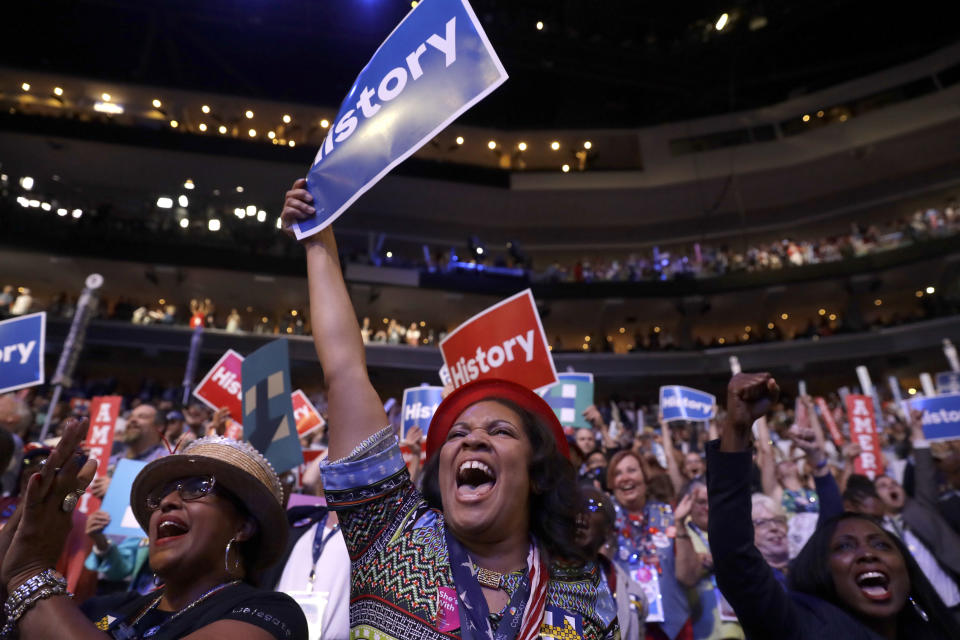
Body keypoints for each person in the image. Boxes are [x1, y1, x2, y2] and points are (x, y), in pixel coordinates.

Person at [282, 180, 619, 639]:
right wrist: (319, 240)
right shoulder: (393, 537)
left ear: (538, 474)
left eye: (500, 431)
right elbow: (344, 371)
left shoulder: (582, 591)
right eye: (457, 435)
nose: (473, 439)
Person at [708, 372, 960, 639]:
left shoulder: (932, 629)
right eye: (845, 546)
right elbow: (734, 555)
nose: (867, 553)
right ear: (821, 571)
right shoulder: (802, 625)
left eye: (881, 544)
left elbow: (833, 519)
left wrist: (819, 461)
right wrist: (736, 430)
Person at [0, 420, 308, 639]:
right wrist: (15, 545)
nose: (168, 502)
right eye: (162, 494)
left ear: (243, 526)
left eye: (197, 487)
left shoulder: (271, 615)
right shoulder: (107, 607)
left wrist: (30, 573)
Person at [873, 411, 960, 614]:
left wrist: (917, 430)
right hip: (925, 615)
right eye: (883, 486)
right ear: (876, 499)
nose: (891, 486)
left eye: (893, 482)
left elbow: (924, 470)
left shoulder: (921, 508)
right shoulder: (878, 531)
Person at [605, 449, 690, 640]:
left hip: (674, 625)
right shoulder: (604, 517)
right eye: (618, 473)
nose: (625, 477)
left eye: (632, 470)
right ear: (611, 483)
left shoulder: (667, 514)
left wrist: (680, 525)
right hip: (626, 625)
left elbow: (689, 577)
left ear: (645, 476)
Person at [673, 481, 743, 640]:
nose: (708, 507)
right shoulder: (681, 534)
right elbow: (686, 576)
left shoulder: (731, 532)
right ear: (687, 503)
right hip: (702, 630)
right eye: (701, 502)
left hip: (740, 629)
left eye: (712, 501)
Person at [576, 486, 647, 640]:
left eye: (591, 507)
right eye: (572, 507)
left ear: (609, 531)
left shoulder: (632, 594)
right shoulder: (540, 582)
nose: (579, 516)